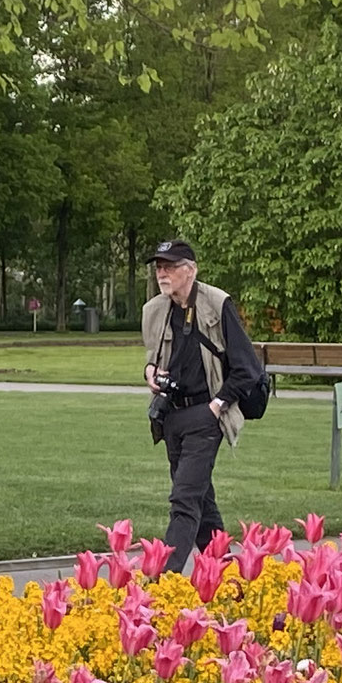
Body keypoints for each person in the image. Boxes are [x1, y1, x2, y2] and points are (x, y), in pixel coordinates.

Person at [139, 239, 266, 573]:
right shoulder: (155, 310)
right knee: (201, 502)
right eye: (159, 267)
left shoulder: (217, 303)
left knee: (183, 500)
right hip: (171, 417)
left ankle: (164, 580)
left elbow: (248, 369)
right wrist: (150, 373)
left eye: (169, 267)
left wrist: (217, 405)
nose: (162, 274)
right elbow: (153, 360)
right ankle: (224, 575)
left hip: (206, 416)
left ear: (191, 270)